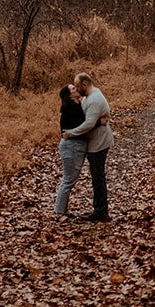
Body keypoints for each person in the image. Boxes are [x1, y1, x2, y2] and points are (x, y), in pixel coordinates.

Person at [60, 71, 113, 221]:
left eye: (77, 86)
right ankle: (99, 210)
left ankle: (101, 212)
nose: (76, 89)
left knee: (98, 177)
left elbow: (88, 124)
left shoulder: (94, 100)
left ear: (84, 85)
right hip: (95, 141)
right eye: (74, 88)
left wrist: (70, 133)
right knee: (97, 177)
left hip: (99, 143)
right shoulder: (89, 97)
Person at [54, 81, 89, 217]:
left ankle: (62, 209)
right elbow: (82, 126)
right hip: (71, 146)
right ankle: (59, 211)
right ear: (69, 95)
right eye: (73, 89)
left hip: (75, 146)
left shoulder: (78, 105)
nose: (77, 89)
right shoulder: (70, 108)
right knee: (68, 180)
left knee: (70, 179)